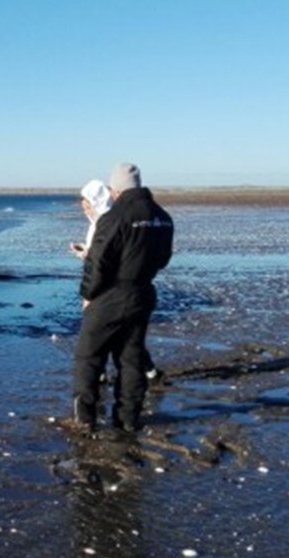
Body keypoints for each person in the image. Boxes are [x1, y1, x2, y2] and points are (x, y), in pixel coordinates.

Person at [72, 163, 174, 433]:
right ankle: (127, 418)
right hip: (142, 293)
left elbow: (98, 263)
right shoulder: (162, 217)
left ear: (114, 190)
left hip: (110, 295)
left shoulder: (114, 217)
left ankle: (85, 420)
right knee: (131, 357)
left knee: (88, 357)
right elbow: (163, 259)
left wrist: (87, 294)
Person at [69, 178, 165, 386]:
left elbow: (105, 261)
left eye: (86, 201)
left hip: (108, 289)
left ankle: (135, 375)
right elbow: (102, 257)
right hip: (112, 287)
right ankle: (142, 373)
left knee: (111, 338)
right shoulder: (101, 221)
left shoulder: (108, 221)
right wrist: (85, 253)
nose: (82, 205)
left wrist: (88, 294)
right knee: (124, 338)